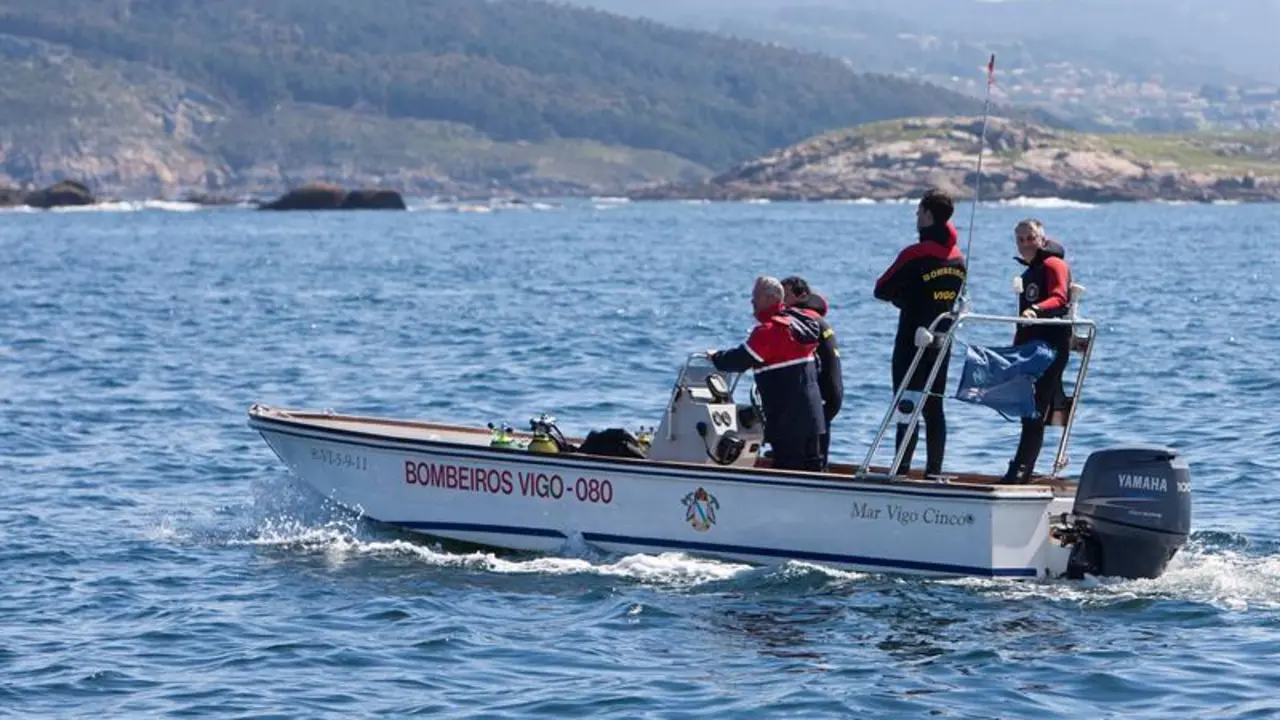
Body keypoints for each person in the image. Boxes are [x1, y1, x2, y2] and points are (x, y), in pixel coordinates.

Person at [873, 189, 967, 477]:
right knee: (934, 406)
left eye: (919, 211)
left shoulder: (915, 254)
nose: (916, 216)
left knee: (907, 402)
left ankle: (901, 468)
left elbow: (881, 289)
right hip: (942, 342)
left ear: (928, 214)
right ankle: (934, 471)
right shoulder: (958, 259)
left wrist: (904, 298)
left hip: (911, 339)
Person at [709, 276, 826, 471]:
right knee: (813, 469)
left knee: (789, 471)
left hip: (788, 421)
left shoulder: (771, 330)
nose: (752, 301)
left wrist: (715, 357)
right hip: (813, 417)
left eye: (756, 296)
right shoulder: (800, 324)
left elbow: (740, 360)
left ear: (770, 298)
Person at [1001, 218, 1073, 484]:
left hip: (1050, 347)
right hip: (1030, 348)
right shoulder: (1030, 270)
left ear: (1042, 239)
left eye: (1030, 238)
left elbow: (1059, 297)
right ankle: (1022, 467)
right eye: (1020, 240)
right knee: (1028, 410)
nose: (1025, 244)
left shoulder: (1053, 264)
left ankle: (1020, 471)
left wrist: (1037, 309)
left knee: (1035, 410)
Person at [781, 275, 843, 469]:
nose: (781, 301)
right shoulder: (816, 319)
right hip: (832, 393)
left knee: (810, 455)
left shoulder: (804, 321)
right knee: (817, 448)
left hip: (822, 394)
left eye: (786, 295)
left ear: (802, 296)